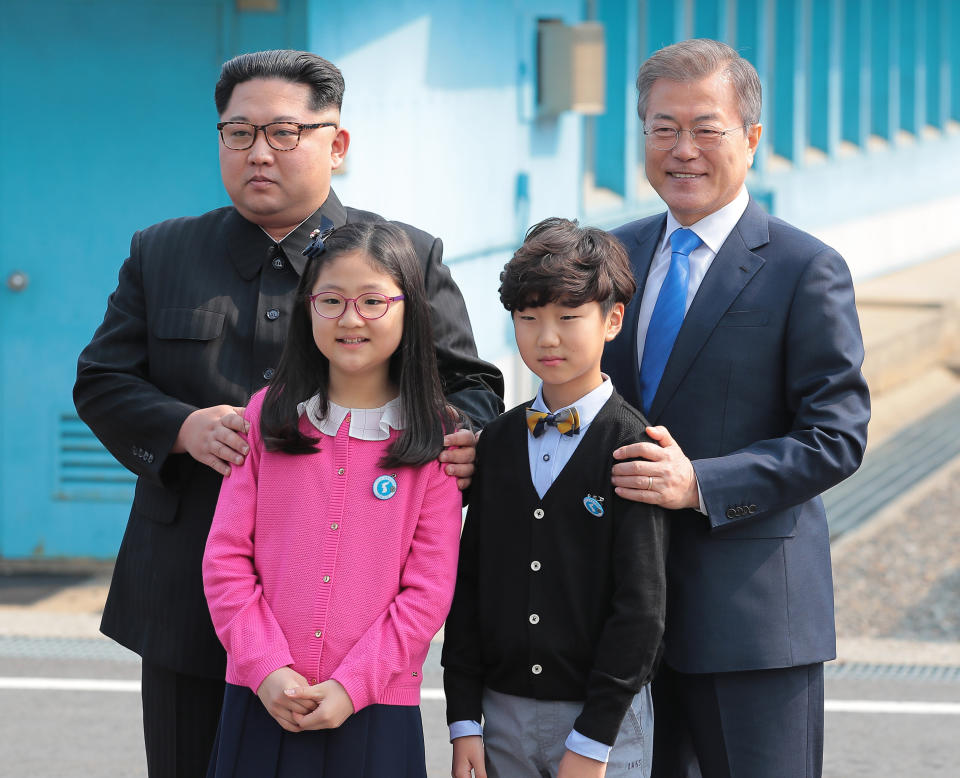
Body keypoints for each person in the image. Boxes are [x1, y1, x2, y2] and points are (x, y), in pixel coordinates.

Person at [73, 49, 503, 777]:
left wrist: (452, 440)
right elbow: (103, 380)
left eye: (283, 131)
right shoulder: (163, 250)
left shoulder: (402, 257)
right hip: (188, 592)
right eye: (237, 133)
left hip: (349, 618)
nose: (257, 152)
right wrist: (182, 428)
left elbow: (471, 389)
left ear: (336, 142)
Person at [601, 39, 871, 777]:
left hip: (753, 623)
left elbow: (836, 437)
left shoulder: (804, 267)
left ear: (750, 139)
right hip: (621, 619)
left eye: (705, 128)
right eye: (663, 128)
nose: (682, 150)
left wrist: (701, 486)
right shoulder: (611, 259)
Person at [201, 221, 461, 777]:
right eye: (332, 300)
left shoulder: (435, 437)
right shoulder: (267, 417)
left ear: (409, 310)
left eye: (373, 301)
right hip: (263, 695)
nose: (350, 319)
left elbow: (428, 592)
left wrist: (351, 685)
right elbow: (225, 562)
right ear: (307, 308)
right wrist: (267, 668)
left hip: (374, 708)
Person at [442, 217, 669, 778]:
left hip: (603, 723)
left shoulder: (632, 446)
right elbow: (469, 584)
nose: (547, 337)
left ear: (613, 319)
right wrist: (464, 718)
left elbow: (641, 608)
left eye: (569, 317)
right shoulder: (494, 441)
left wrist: (593, 740)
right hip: (500, 714)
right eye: (528, 318)